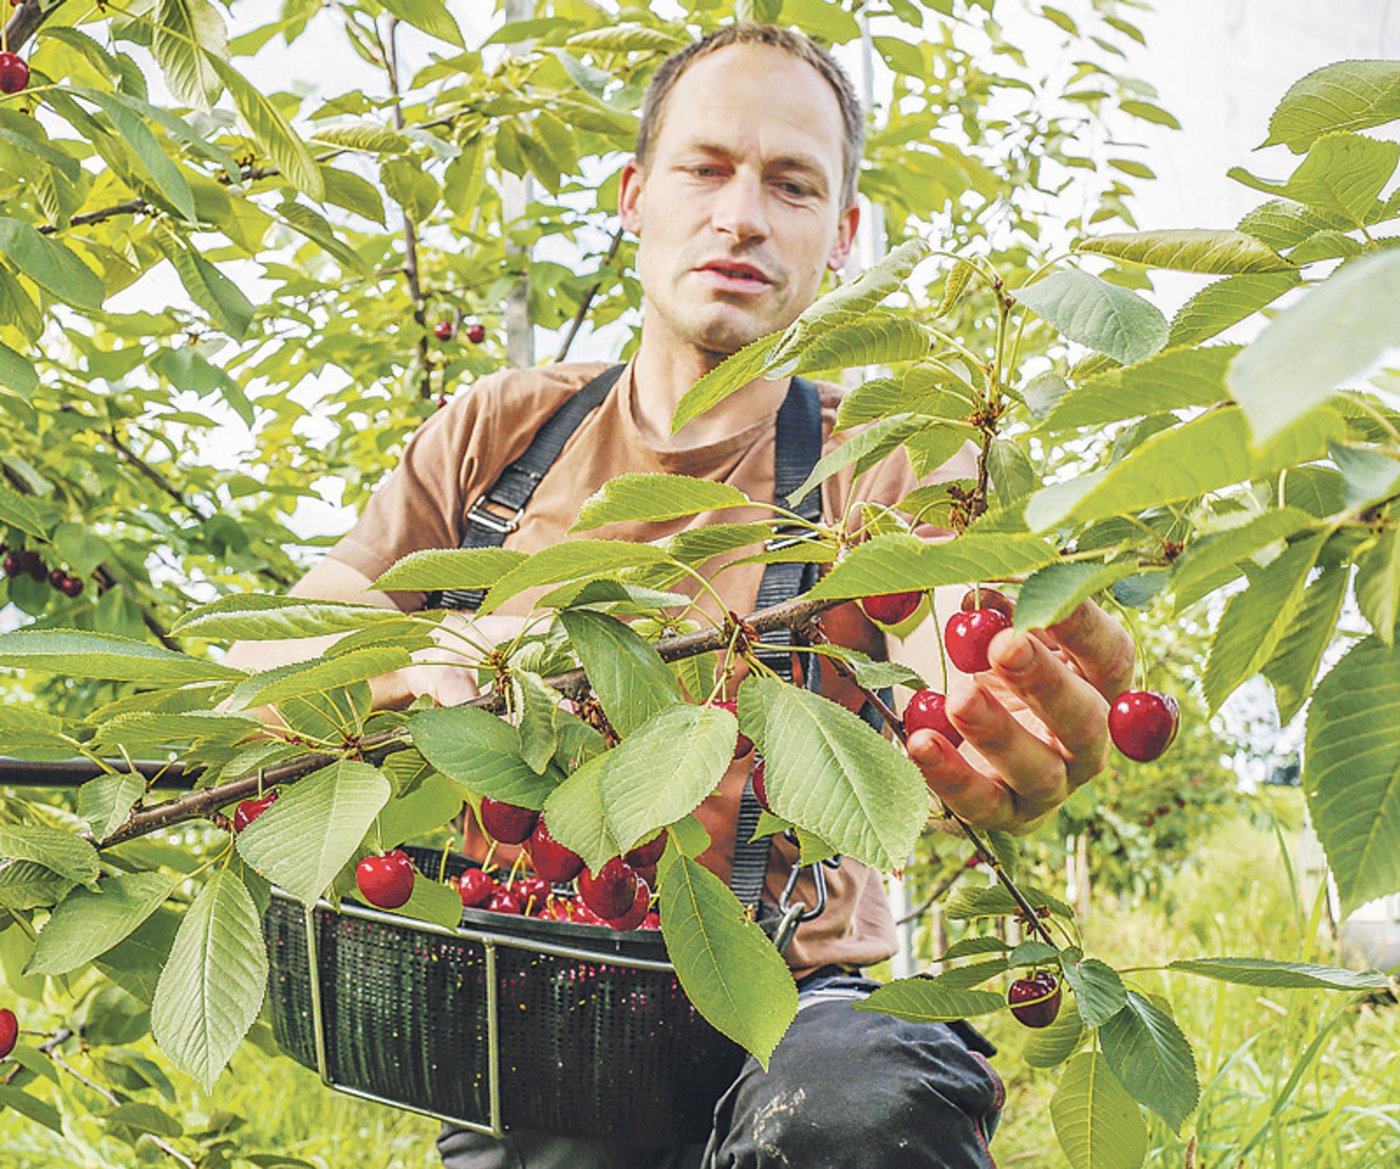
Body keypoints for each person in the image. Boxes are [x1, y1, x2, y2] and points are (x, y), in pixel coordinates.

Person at [228, 22, 1133, 1169]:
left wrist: (1004, 695)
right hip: (544, 999)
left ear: (844, 236)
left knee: (857, 1112)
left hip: (801, 1014)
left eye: (791, 184)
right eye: (705, 167)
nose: (741, 214)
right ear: (633, 196)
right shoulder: (498, 435)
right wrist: (427, 653)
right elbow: (271, 655)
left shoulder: (880, 455)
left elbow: (968, 622)